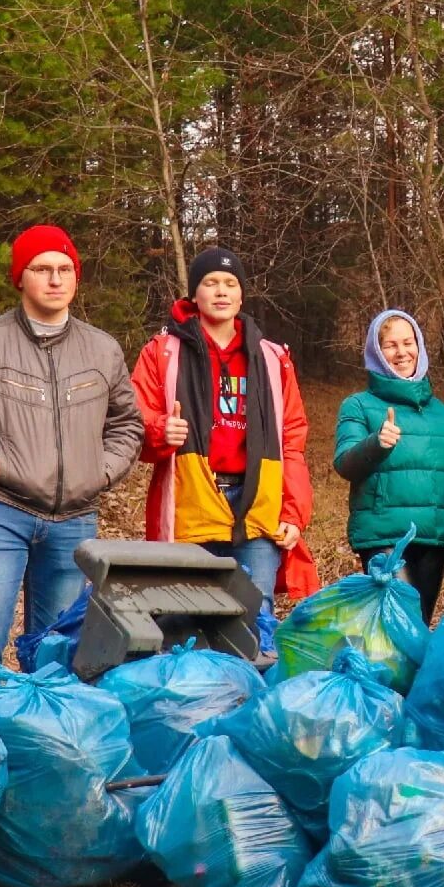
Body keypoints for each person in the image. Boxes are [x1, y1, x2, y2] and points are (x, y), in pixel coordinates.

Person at [0, 224, 143, 681]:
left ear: (76, 277)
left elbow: (127, 424)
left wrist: (99, 472)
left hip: (74, 519)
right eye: (42, 269)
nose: (55, 279)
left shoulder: (102, 349)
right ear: (20, 277)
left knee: (54, 649)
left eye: (65, 269)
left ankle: (35, 744)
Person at [131, 246, 317, 617]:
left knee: (253, 613)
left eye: (230, 283)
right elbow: (134, 421)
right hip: (191, 502)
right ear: (194, 295)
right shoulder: (162, 352)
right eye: (210, 283)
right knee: (183, 615)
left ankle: (249, 677)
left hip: (256, 507)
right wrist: (159, 429)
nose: (221, 291)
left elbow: (291, 439)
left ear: (241, 294)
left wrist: (294, 513)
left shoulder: (271, 358)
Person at [333, 308, 444, 624]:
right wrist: (376, 443)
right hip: (383, 536)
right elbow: (344, 463)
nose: (402, 352)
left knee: (418, 627)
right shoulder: (358, 405)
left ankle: (410, 676)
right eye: (391, 345)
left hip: (433, 539)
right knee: (396, 624)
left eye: (408, 342)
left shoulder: (439, 412)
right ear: (377, 353)